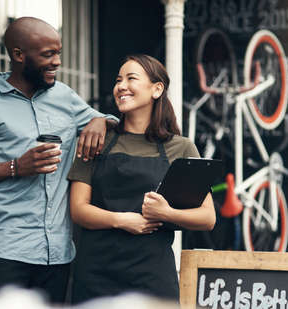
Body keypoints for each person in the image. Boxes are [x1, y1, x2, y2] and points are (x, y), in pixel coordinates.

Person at [0, 17, 116, 304]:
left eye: (58, 52)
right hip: (6, 253)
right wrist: (15, 167)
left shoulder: (64, 97)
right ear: (19, 55)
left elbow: (112, 126)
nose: (57, 61)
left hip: (58, 253)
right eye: (48, 54)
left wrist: (101, 119)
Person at [68, 54, 216, 303]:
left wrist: (166, 213)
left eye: (131, 78)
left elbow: (207, 217)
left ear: (157, 89)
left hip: (152, 274)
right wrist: (121, 220)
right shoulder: (96, 141)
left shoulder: (181, 148)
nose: (121, 86)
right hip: (96, 273)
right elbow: (78, 209)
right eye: (118, 80)